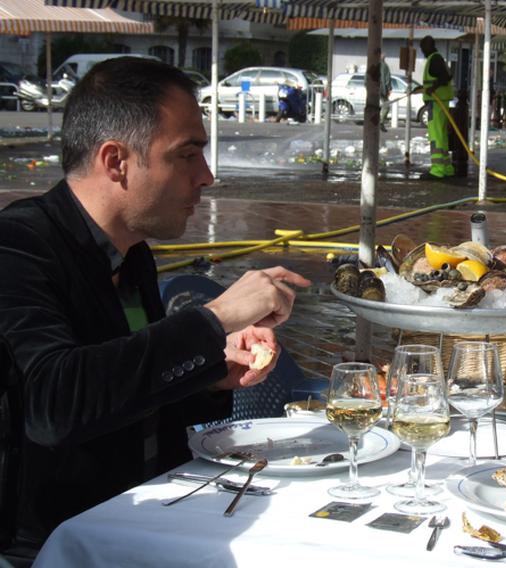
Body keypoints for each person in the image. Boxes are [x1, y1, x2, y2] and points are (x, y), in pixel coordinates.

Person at [0, 57, 310, 565]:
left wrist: (211, 372)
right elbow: (51, 405)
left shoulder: (131, 253)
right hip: (54, 545)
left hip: (145, 520)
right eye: (187, 155)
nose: (207, 177)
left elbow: (129, 399)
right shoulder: (17, 247)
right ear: (116, 161)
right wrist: (213, 320)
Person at [417, 36, 454, 178]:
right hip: (440, 102)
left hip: (436, 103)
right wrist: (425, 87)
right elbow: (445, 76)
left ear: (428, 46)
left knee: (436, 136)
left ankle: (437, 170)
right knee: (442, 136)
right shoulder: (437, 58)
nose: (422, 51)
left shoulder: (434, 58)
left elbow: (445, 77)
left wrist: (433, 88)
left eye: (422, 48)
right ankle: (447, 168)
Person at [379, 52, 392, 132]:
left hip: (373, 89)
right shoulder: (385, 66)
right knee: (386, 106)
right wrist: (389, 89)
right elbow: (387, 79)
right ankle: (381, 122)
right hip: (382, 89)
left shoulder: (373, 64)